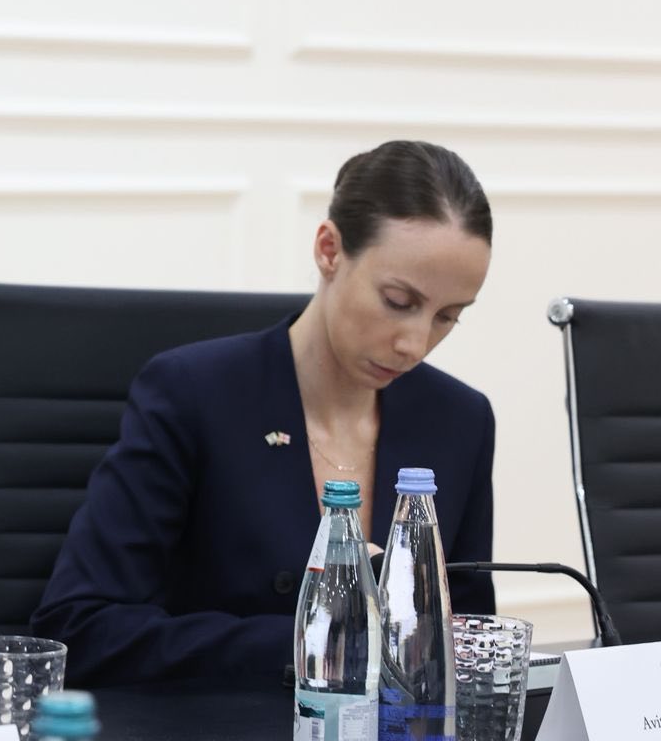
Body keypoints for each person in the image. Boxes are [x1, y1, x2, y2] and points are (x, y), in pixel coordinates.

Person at [32, 140, 496, 684]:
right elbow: (79, 627)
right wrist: (315, 643)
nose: (415, 344)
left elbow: (464, 642)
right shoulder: (193, 394)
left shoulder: (460, 421)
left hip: (391, 738)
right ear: (329, 250)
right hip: (211, 733)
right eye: (398, 302)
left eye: (448, 317)